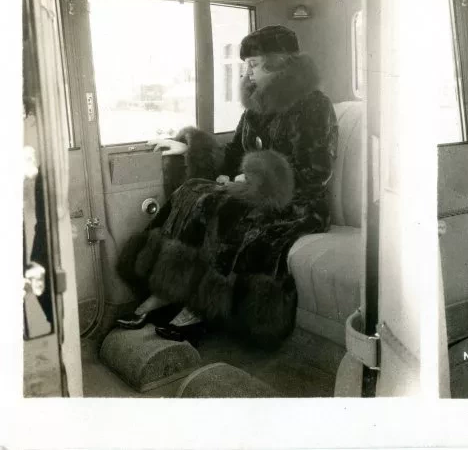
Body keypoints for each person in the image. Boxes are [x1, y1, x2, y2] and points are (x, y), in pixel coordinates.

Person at [115, 25, 339, 348]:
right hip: (255, 192)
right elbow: (234, 153)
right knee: (193, 192)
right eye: (246, 65)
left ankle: (201, 305)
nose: (247, 74)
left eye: (255, 65)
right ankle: (166, 288)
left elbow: (316, 173)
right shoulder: (256, 108)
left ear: (281, 65)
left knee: (227, 210)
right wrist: (190, 148)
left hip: (300, 204)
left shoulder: (315, 106)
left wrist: (256, 182)